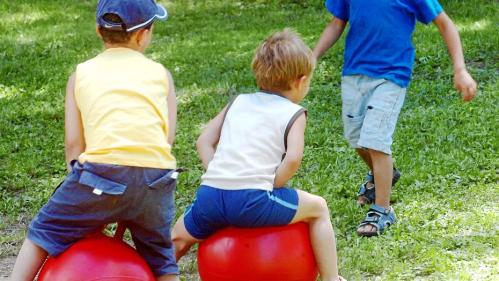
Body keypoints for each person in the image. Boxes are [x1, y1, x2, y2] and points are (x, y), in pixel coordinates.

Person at [10, 1, 180, 280]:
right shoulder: (163, 76)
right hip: (156, 178)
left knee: (42, 233)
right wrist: (134, 199)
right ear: (143, 35)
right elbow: (166, 139)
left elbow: (74, 145)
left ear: (98, 30)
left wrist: (91, 196)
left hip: (99, 175)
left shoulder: (81, 74)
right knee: (162, 260)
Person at [171, 29, 345, 281]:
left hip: (210, 196)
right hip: (252, 200)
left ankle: (152, 273)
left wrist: (219, 173)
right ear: (301, 80)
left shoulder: (238, 102)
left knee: (176, 239)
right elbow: (293, 158)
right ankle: (332, 278)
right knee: (318, 208)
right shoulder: (294, 113)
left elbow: (203, 141)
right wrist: (273, 184)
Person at [313, 0, 477, 237]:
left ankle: (382, 209)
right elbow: (337, 22)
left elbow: (445, 24)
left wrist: (460, 69)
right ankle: (386, 175)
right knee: (356, 139)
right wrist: (313, 56)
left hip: (392, 75)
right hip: (354, 72)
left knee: (376, 139)